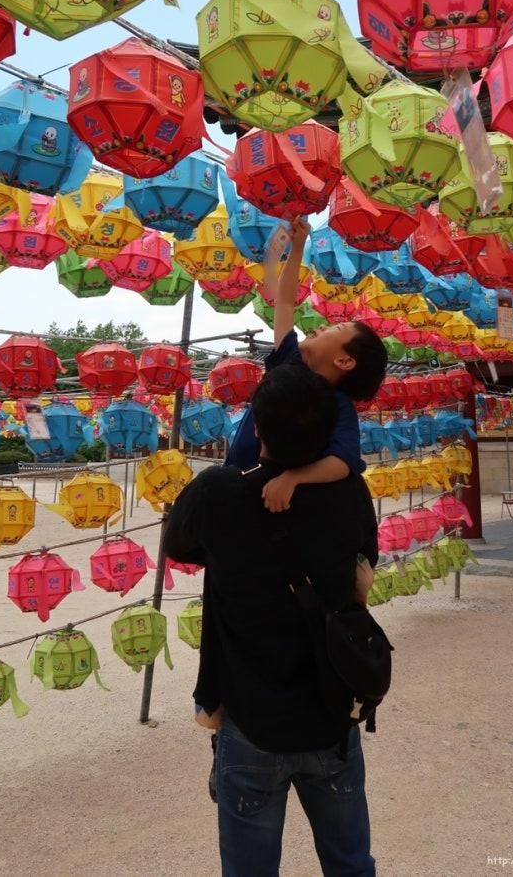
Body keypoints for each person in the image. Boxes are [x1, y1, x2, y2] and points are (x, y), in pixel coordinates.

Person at [165, 364, 379, 877]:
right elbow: (363, 567)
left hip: (249, 722)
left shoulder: (218, 491)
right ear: (329, 431)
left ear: (255, 427)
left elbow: (179, 545)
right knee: (351, 863)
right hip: (330, 716)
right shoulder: (351, 494)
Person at [227, 217, 388, 512]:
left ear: (344, 360)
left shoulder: (337, 404)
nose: (321, 327)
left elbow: (343, 461)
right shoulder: (289, 364)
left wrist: (293, 478)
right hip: (235, 488)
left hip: (273, 504)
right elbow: (286, 303)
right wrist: (298, 246)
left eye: (335, 330)